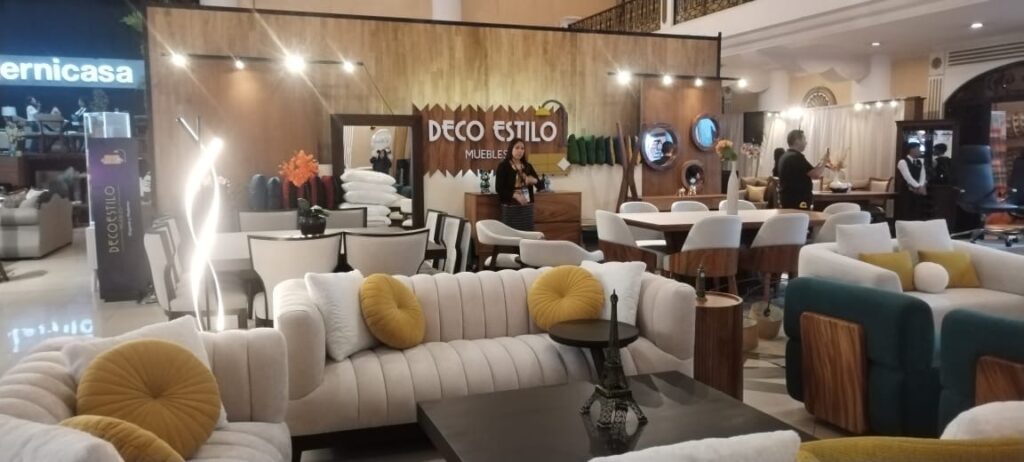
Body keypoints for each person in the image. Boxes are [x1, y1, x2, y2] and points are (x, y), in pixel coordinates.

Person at [778, 130, 829, 210]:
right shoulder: (796, 157)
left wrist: (821, 162)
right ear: (797, 141)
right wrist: (825, 161)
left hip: (787, 199)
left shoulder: (785, 156)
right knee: (802, 217)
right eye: (804, 139)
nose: (806, 142)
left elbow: (810, 171)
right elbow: (815, 174)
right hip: (798, 200)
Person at [496, 138, 543, 206]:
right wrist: (515, 195)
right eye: (517, 148)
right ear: (511, 149)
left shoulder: (528, 166)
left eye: (522, 148)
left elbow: (541, 186)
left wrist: (534, 180)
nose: (520, 151)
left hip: (527, 205)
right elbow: (499, 189)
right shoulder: (503, 166)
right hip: (510, 205)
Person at [897, 142, 929, 220]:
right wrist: (918, 186)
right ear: (912, 150)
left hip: (918, 191)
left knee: (917, 211)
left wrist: (921, 185)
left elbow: (923, 175)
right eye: (918, 149)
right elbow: (907, 177)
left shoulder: (919, 162)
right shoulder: (902, 162)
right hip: (907, 190)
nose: (920, 151)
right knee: (906, 211)